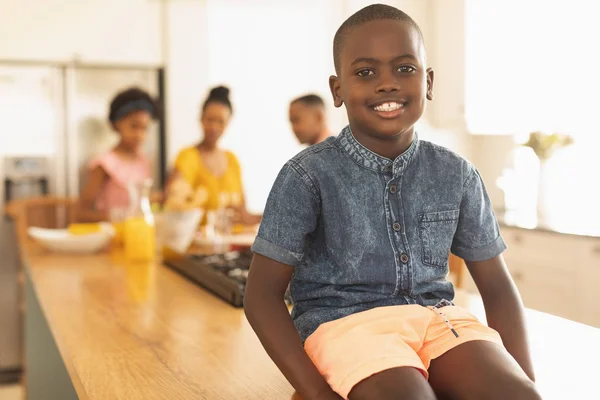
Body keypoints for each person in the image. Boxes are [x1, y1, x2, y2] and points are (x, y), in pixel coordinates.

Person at [244, 5, 541, 400]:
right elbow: (260, 296)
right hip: (343, 324)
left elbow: (499, 289)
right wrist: (317, 393)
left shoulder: (457, 174)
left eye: (404, 68)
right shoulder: (307, 175)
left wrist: (527, 384)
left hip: (438, 322)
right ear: (338, 90)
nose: (387, 84)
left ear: (428, 81)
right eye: (366, 72)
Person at [170, 86, 260, 225]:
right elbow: (174, 197)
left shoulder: (232, 159)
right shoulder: (188, 156)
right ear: (201, 118)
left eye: (220, 122)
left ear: (228, 123)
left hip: (233, 240)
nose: (214, 127)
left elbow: (244, 214)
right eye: (209, 120)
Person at [77, 87, 158, 222]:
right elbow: (80, 213)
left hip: (137, 235)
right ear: (116, 124)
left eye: (144, 128)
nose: (139, 135)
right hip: (112, 237)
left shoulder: (145, 162)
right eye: (133, 126)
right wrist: (117, 218)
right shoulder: (104, 164)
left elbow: (142, 203)